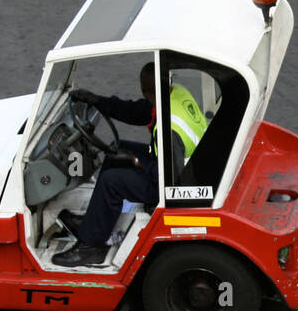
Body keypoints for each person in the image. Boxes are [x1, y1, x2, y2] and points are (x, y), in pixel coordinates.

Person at [51, 62, 206, 267]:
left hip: (176, 185)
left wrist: (135, 161)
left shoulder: (168, 129)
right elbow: (135, 112)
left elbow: (166, 176)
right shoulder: (173, 94)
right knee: (117, 150)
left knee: (110, 181)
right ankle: (95, 223)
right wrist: (98, 101)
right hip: (182, 165)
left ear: (145, 91)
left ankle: (91, 247)